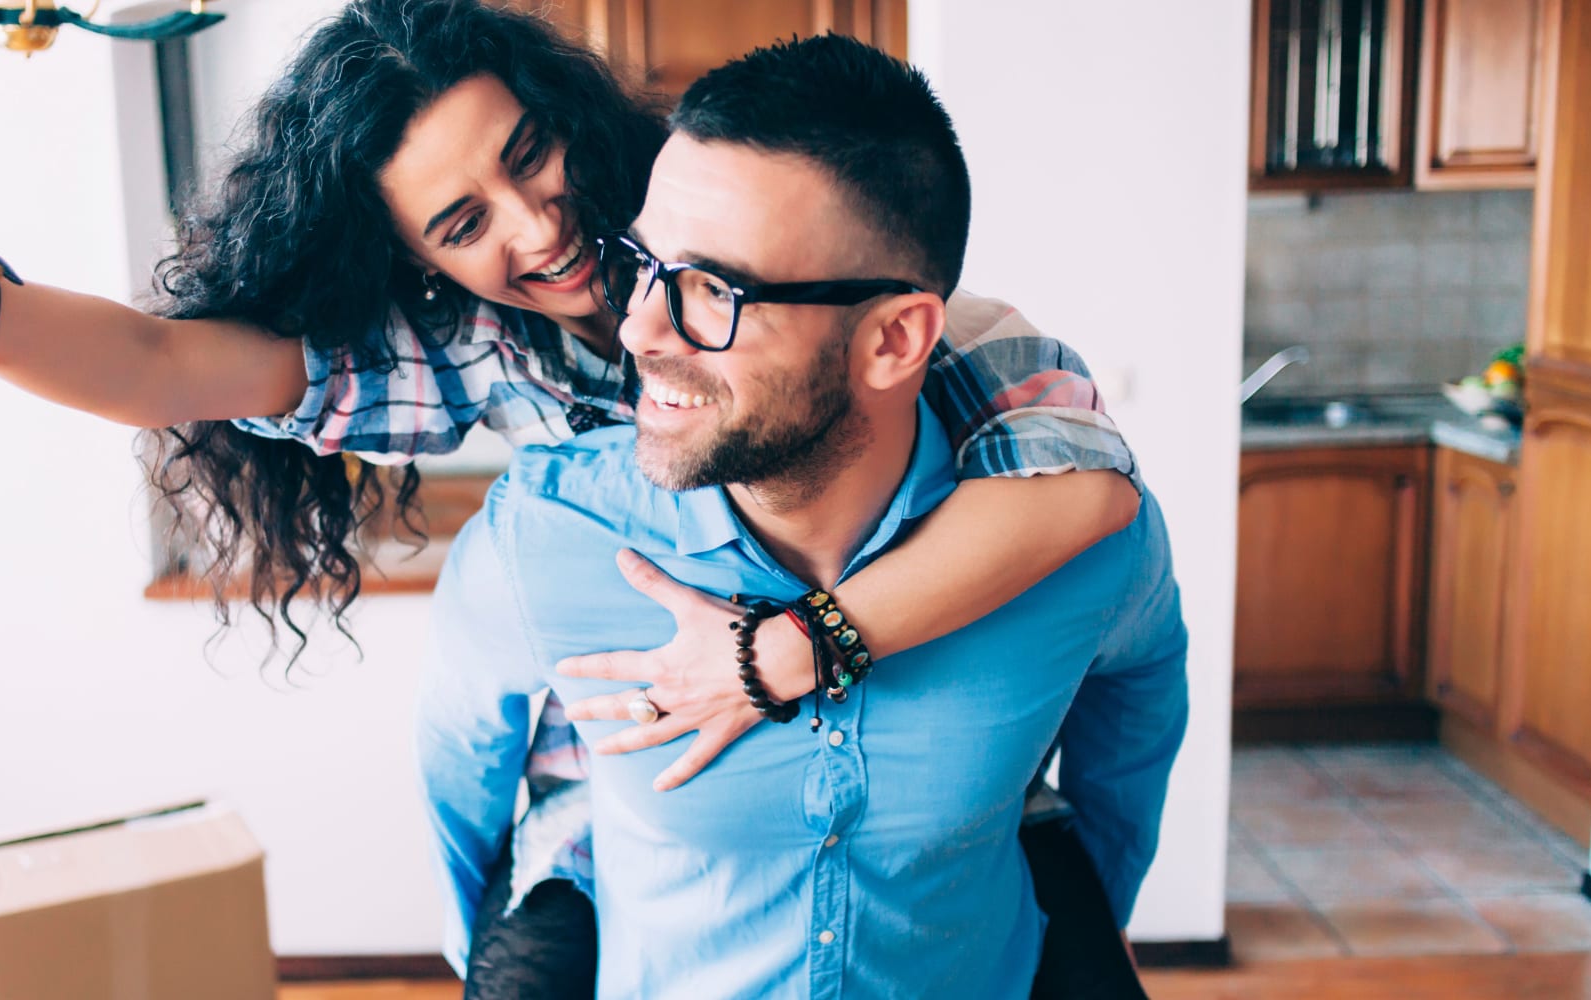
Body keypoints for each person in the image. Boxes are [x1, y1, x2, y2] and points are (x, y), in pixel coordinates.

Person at [0, 1, 1146, 994]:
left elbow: (1086, 500)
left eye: (530, 155)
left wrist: (784, 652)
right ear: (417, 264)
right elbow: (156, 361)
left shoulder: (891, 308)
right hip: (618, 805)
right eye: (463, 221)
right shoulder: (480, 360)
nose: (539, 229)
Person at [418, 34, 1189, 999]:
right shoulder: (544, 545)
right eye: (646, 267)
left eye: (713, 292)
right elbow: (463, 780)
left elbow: (1143, 690)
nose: (638, 329)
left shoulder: (1076, 545)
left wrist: (1086, 913)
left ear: (895, 339)